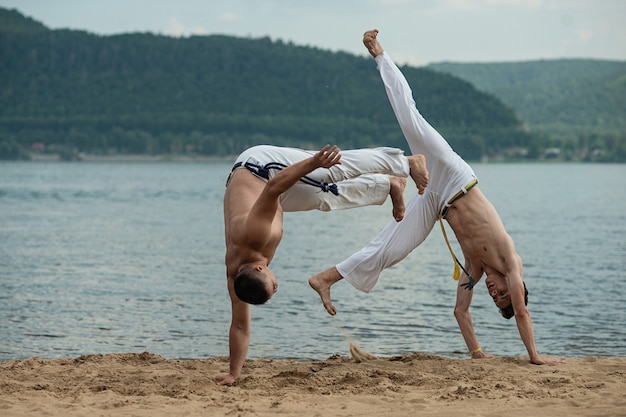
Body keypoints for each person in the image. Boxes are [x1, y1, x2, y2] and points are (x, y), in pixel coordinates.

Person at [309, 30, 563, 366]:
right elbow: (522, 313)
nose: (494, 291)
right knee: (410, 117)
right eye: (502, 293)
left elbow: (460, 312)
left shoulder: (473, 268)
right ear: (512, 286)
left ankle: (326, 278)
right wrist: (534, 356)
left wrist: (477, 353)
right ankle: (379, 54)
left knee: (393, 248)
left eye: (495, 298)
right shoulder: (510, 261)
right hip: (454, 177)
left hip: (436, 201)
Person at [219, 143, 430, 385]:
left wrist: (313, 162)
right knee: (323, 195)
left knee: (327, 172)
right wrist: (234, 373)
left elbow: (274, 188)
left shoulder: (255, 234)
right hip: (260, 189)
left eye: (273, 286)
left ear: (259, 269)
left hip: (260, 168)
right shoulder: (237, 278)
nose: (277, 286)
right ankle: (389, 185)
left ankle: (405, 163)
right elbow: (239, 326)